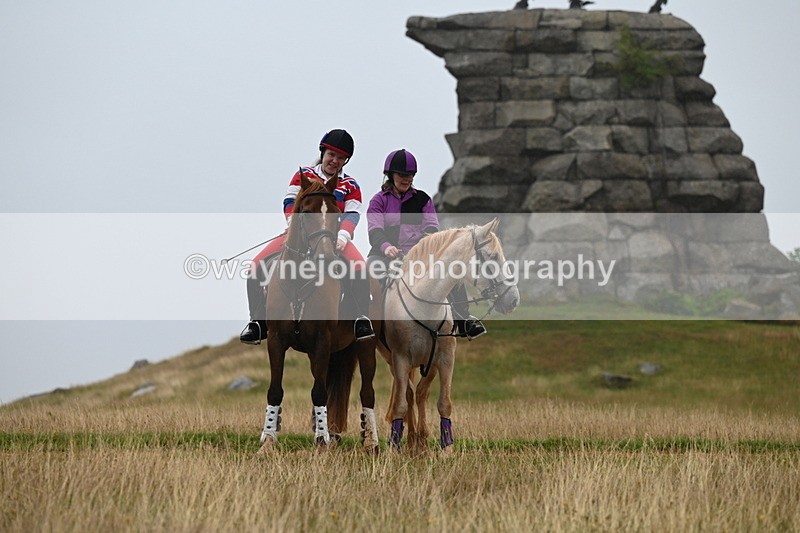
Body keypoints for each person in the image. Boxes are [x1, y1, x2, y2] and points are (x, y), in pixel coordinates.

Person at [240, 129, 374, 344]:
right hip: (298, 234)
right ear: (323, 152)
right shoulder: (304, 176)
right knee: (255, 266)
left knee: (360, 267)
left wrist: (342, 236)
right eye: (332, 155)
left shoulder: (351, 185)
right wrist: (292, 226)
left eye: (341, 158)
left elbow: (352, 213)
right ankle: (256, 323)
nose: (335, 161)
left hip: (334, 237)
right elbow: (290, 201)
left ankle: (361, 319)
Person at [366, 149, 487, 339]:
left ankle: (464, 320)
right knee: (368, 274)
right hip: (384, 254)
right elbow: (375, 231)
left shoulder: (423, 200)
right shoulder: (378, 201)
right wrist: (387, 248)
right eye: (402, 175)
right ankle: (370, 325)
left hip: (418, 256)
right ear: (390, 175)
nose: (407, 179)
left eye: (411, 176)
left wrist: (420, 249)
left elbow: (431, 228)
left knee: (451, 273)